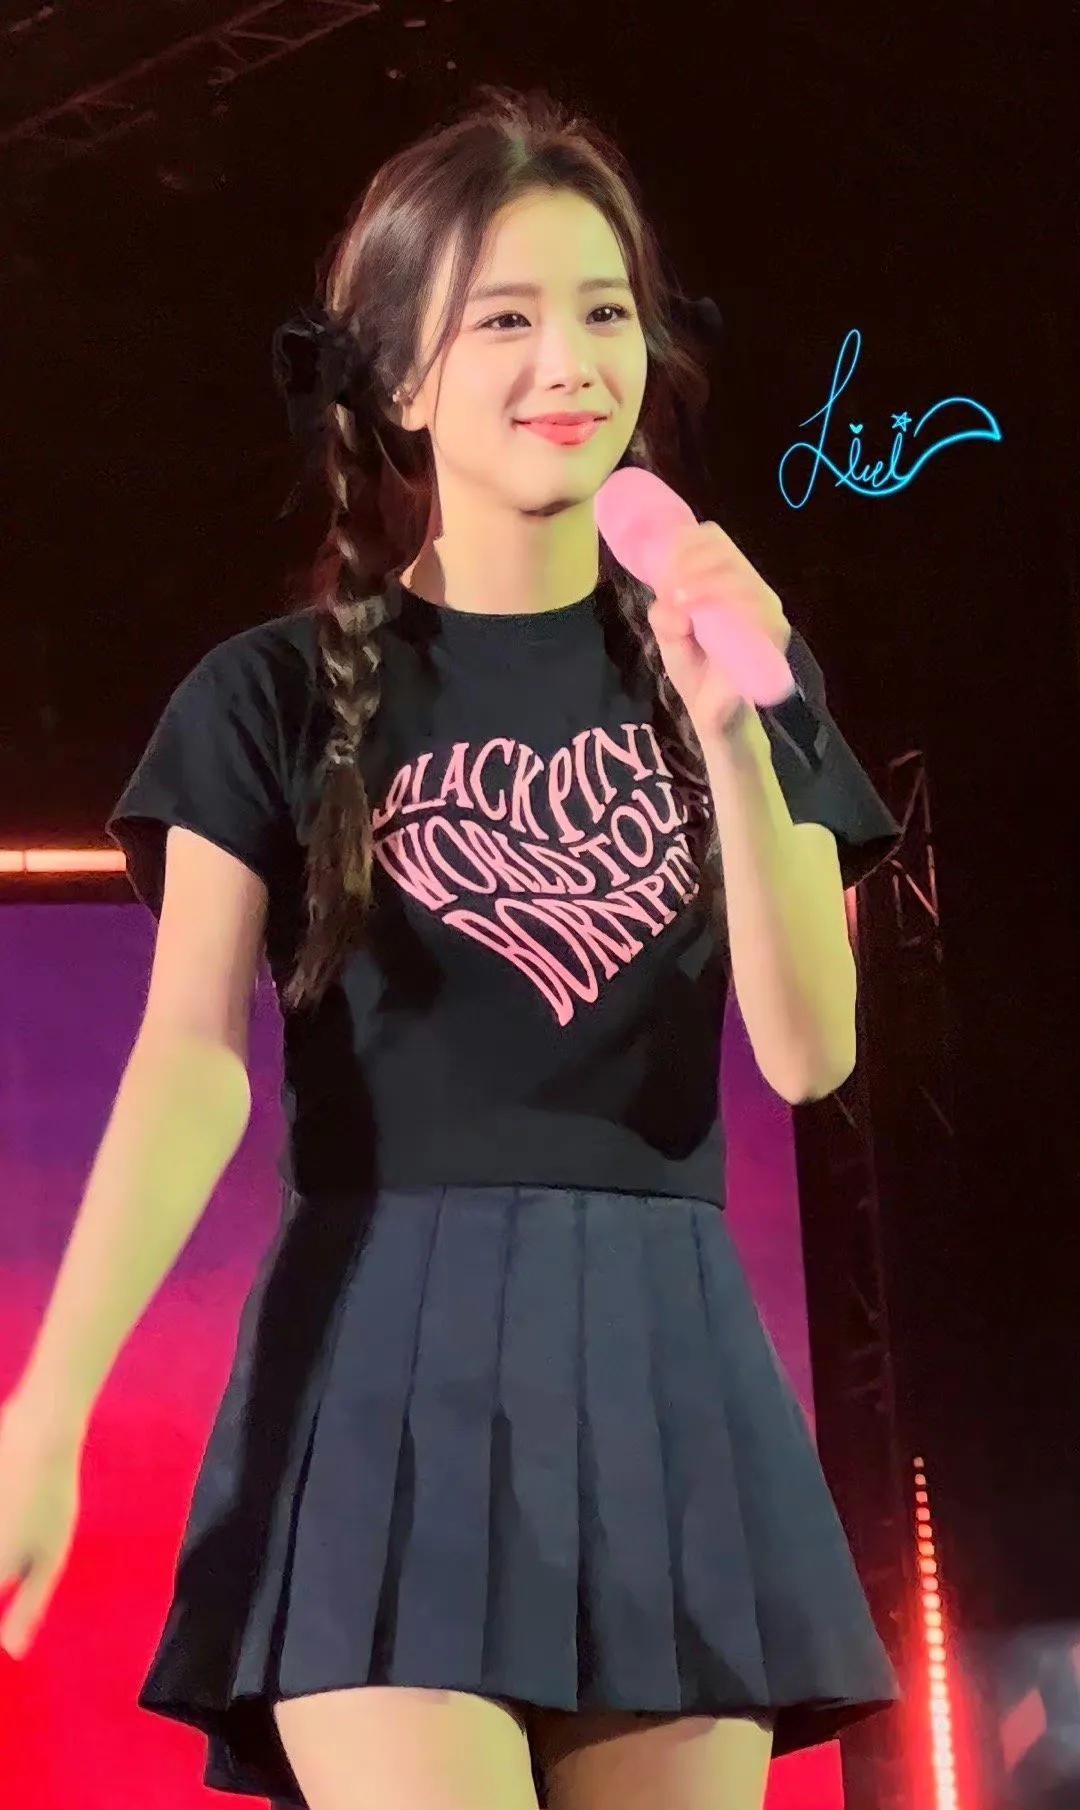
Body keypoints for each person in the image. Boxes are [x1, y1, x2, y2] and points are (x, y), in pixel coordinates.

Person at [0, 85, 904, 1810]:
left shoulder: (739, 661)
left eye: (605, 312)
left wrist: (734, 729)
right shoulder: (271, 697)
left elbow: (810, 1055)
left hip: (664, 1367)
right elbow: (192, 1062)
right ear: (400, 379)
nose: (570, 360)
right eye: (505, 318)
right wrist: (49, 1405)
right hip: (382, 1369)